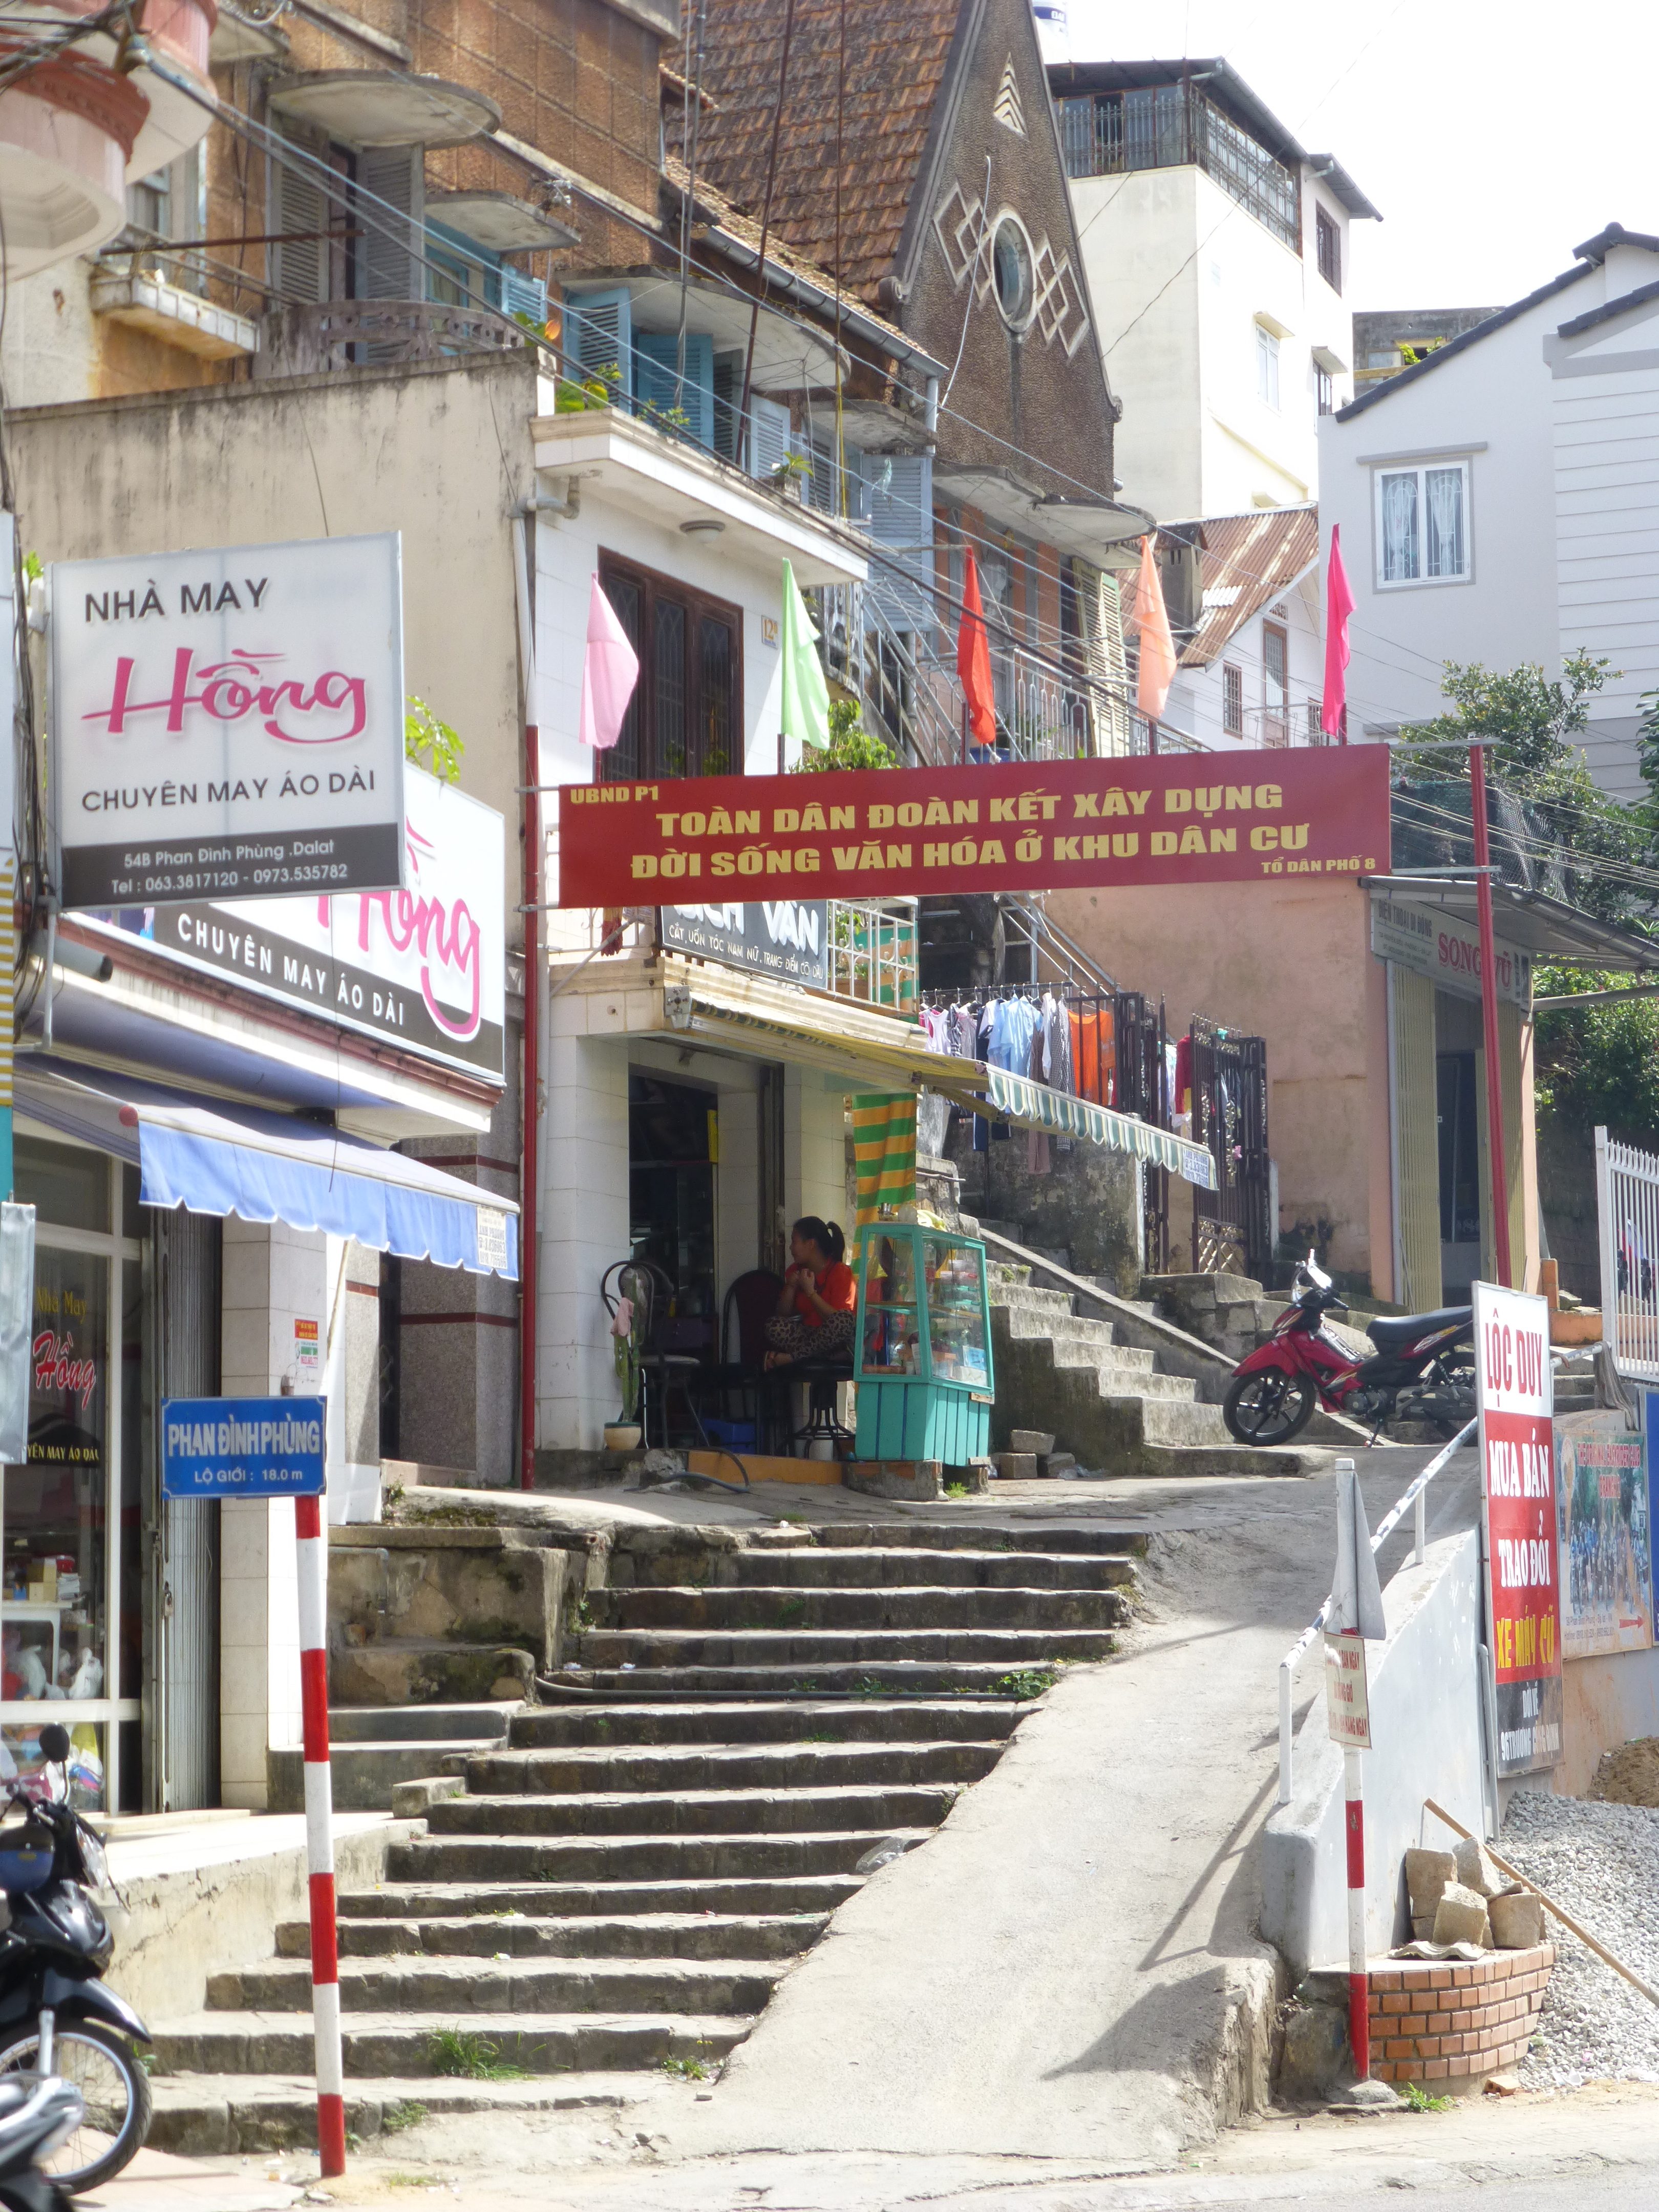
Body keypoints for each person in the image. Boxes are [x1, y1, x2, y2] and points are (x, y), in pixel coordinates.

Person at [764, 1217, 855, 1369]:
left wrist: (811, 1293)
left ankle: (793, 1358)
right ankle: (821, 1355)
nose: (791, 1248)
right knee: (773, 1326)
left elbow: (837, 1320)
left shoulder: (840, 1272)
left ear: (811, 1244)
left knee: (845, 1320)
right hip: (808, 1335)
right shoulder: (795, 1271)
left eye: (794, 1242)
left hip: (835, 1340)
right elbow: (783, 1314)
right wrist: (791, 1287)